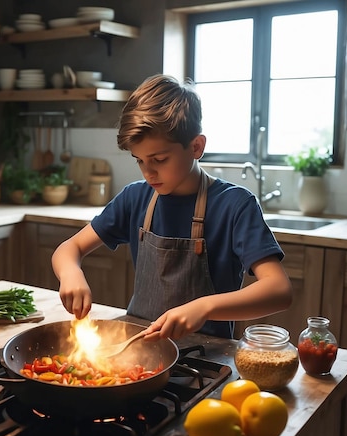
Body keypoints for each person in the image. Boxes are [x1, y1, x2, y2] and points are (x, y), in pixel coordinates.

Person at [51, 74, 293, 340]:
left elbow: (278, 290)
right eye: (140, 161)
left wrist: (205, 307)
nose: (148, 172)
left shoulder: (235, 206)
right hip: (137, 351)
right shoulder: (135, 198)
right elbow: (68, 249)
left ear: (196, 147)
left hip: (207, 360)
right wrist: (71, 273)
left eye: (159, 159)